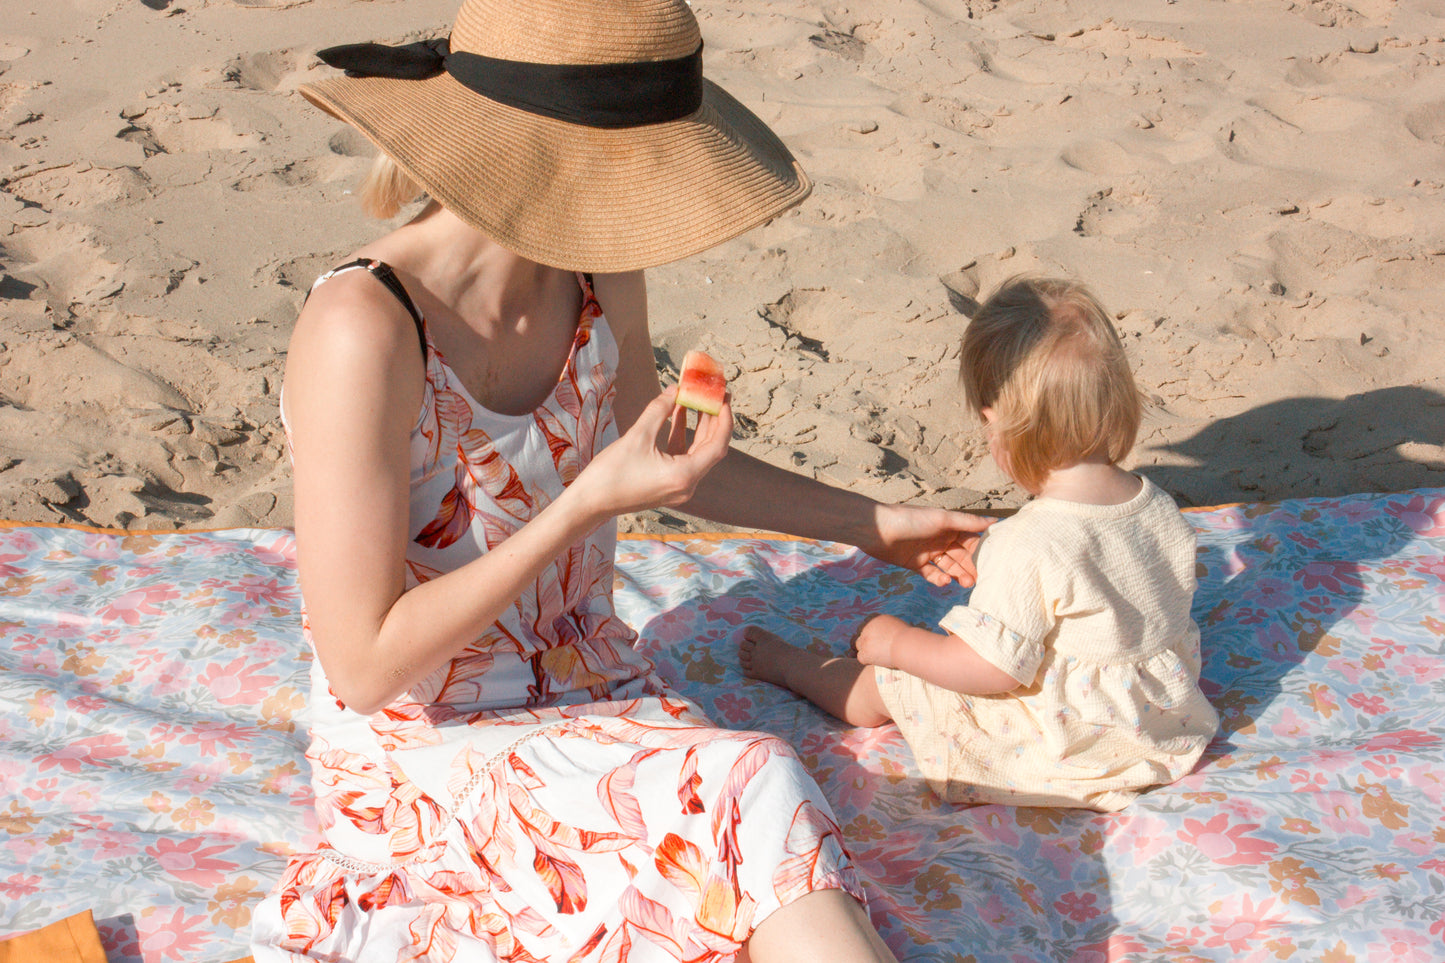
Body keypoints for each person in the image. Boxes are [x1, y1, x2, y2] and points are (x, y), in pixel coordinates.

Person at [247, 1, 994, 960]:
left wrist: (874, 522)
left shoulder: (594, 272)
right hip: (417, 758)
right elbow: (362, 666)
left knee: (749, 828)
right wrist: (586, 501)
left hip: (593, 691)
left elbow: (669, 464)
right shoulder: (365, 328)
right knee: (751, 783)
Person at [741, 277, 1221, 811]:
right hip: (1150, 731)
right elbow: (1095, 583)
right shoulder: (1155, 504)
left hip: (1069, 748)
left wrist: (898, 644)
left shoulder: (1031, 541)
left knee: (889, 687)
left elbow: (988, 670)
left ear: (996, 422)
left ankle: (791, 668)